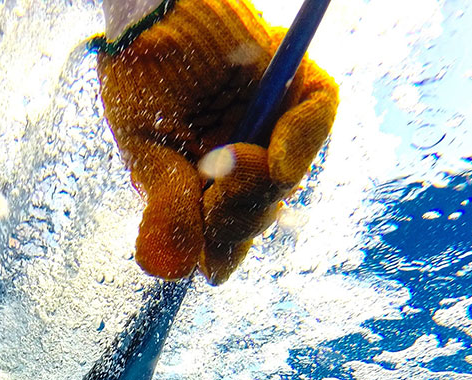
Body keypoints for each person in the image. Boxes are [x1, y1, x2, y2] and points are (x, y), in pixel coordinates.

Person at [92, 0, 339, 284]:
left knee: (179, 183)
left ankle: (188, 233)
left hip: (143, 69)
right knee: (182, 184)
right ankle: (189, 232)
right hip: (186, 44)